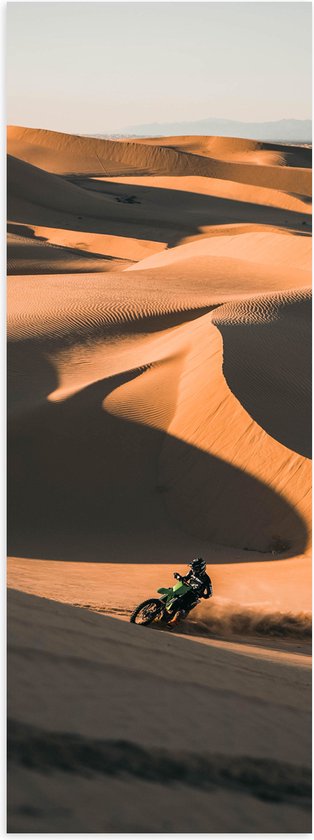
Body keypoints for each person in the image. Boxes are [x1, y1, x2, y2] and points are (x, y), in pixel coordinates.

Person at [168, 557, 212, 626]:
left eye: (195, 568)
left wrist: (202, 594)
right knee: (172, 591)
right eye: (193, 568)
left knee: (183, 608)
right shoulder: (191, 572)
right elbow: (186, 578)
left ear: (201, 568)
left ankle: (174, 622)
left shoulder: (206, 579)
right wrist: (179, 577)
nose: (193, 570)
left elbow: (210, 594)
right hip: (186, 589)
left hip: (194, 596)